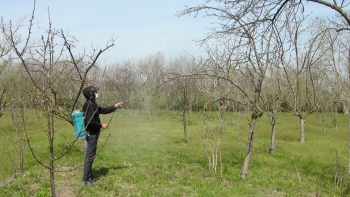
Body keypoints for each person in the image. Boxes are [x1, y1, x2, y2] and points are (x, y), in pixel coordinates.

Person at [81, 85, 124, 187]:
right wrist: (101, 125)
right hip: (92, 134)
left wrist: (115, 106)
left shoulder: (91, 104)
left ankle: (89, 175)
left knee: (91, 155)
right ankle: (85, 180)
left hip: (93, 134)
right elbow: (89, 122)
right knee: (90, 156)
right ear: (91, 94)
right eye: (95, 92)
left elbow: (103, 110)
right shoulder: (90, 105)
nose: (97, 93)